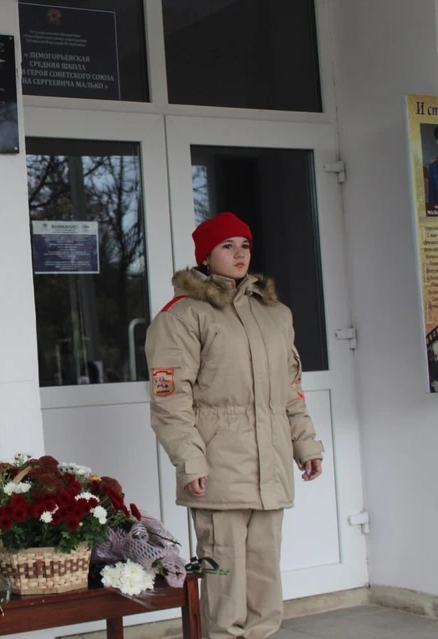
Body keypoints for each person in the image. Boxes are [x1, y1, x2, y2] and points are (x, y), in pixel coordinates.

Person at [144, 212, 324, 639]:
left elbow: (289, 389)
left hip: (272, 463)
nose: (239, 254)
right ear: (205, 256)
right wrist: (191, 462)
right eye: (227, 246)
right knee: (225, 582)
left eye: (244, 245)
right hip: (219, 467)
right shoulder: (184, 315)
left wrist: (307, 446)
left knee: (265, 575)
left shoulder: (275, 314)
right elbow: (170, 399)